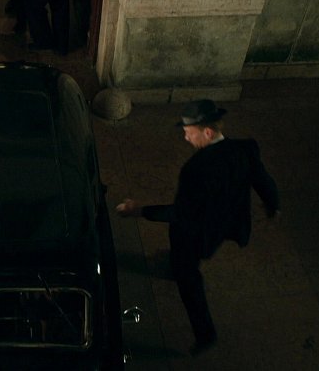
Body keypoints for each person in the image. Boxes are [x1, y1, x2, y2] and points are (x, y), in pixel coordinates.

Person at [115, 99, 281, 356]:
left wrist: (139, 210)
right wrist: (273, 204)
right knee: (197, 254)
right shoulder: (245, 149)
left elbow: (181, 213)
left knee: (188, 277)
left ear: (208, 132)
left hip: (195, 233)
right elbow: (262, 179)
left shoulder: (196, 169)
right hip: (225, 224)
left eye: (188, 132)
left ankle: (205, 334)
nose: (185, 138)